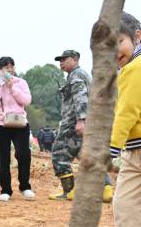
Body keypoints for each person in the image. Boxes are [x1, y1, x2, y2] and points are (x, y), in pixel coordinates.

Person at [49, 49, 114, 201]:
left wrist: (81, 120)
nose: (61, 63)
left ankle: (70, 191)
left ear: (75, 59)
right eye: (60, 60)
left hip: (73, 123)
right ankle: (106, 190)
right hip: (89, 121)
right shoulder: (81, 74)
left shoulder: (76, 75)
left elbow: (81, 97)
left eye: (64, 59)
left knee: (59, 155)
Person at [110, 12, 141, 227]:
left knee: (126, 201)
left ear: (137, 36)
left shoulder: (134, 68)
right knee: (125, 201)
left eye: (117, 42)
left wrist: (109, 148)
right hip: (133, 151)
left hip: (136, 148)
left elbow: (127, 113)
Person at [0, 56, 35, 202]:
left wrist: (12, 86)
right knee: (3, 158)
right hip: (0, 124)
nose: (9, 70)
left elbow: (26, 101)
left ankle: (25, 186)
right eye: (5, 67)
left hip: (20, 123)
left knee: (23, 154)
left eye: (11, 67)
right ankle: (6, 189)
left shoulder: (21, 82)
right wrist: (1, 85)